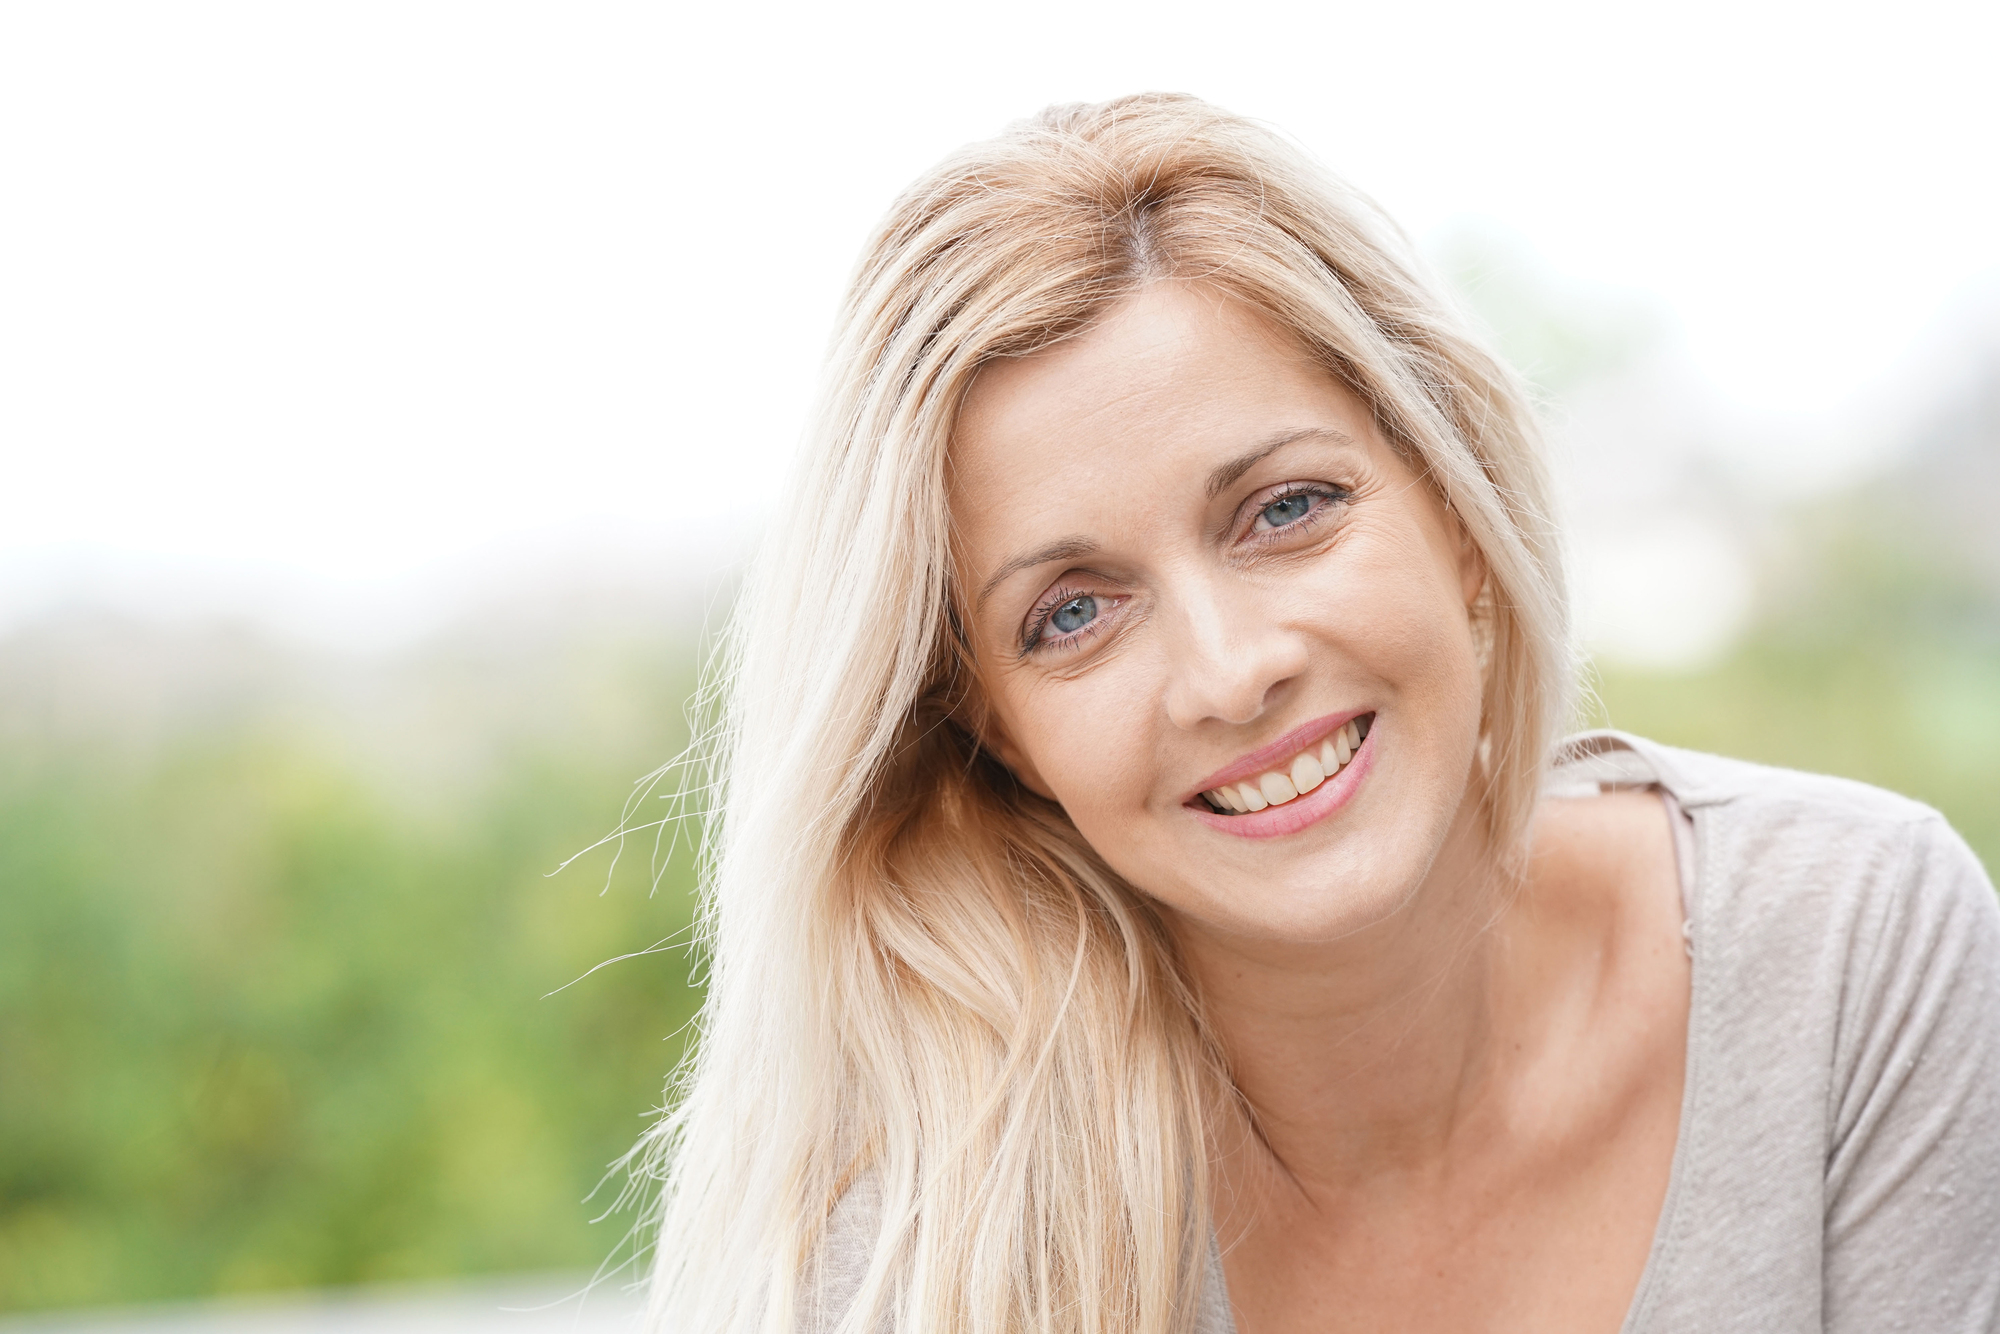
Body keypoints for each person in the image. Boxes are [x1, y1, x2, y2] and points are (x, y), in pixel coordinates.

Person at [636, 94, 2000, 1333]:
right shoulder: (921, 1243)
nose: (1232, 671)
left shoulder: (1847, 948)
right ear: (993, 728)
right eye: (1073, 611)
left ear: (1460, 505)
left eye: (1287, 508)